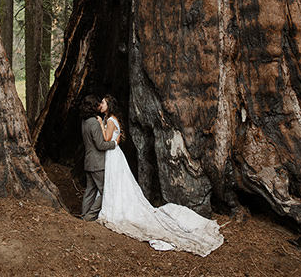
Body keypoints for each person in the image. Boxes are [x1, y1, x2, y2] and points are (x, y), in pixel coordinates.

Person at [96, 94, 224, 256]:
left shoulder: (109, 120)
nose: (101, 105)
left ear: (109, 105)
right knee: (118, 183)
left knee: (116, 182)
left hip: (112, 155)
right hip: (116, 154)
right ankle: (115, 206)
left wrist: (100, 124)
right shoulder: (114, 119)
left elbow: (107, 138)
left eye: (103, 102)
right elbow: (117, 140)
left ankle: (115, 210)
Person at [80, 94, 118, 221]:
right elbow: (101, 145)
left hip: (88, 161)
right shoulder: (94, 123)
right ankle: (90, 215)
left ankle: (84, 214)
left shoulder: (84, 121)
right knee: (105, 191)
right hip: (97, 163)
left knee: (90, 190)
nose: (99, 106)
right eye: (97, 104)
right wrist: (115, 143)